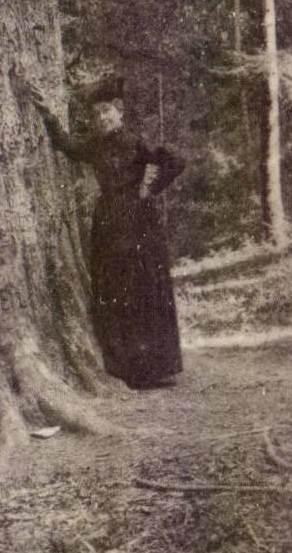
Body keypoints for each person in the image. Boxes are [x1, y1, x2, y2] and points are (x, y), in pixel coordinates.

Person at [32, 76, 185, 390]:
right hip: (109, 223)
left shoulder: (136, 142)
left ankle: (153, 368)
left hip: (139, 223)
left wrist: (151, 187)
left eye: (106, 112)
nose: (101, 118)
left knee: (142, 288)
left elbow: (175, 160)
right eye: (96, 114)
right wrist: (48, 115)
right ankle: (125, 369)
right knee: (115, 289)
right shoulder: (94, 145)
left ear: (119, 111)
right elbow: (65, 144)